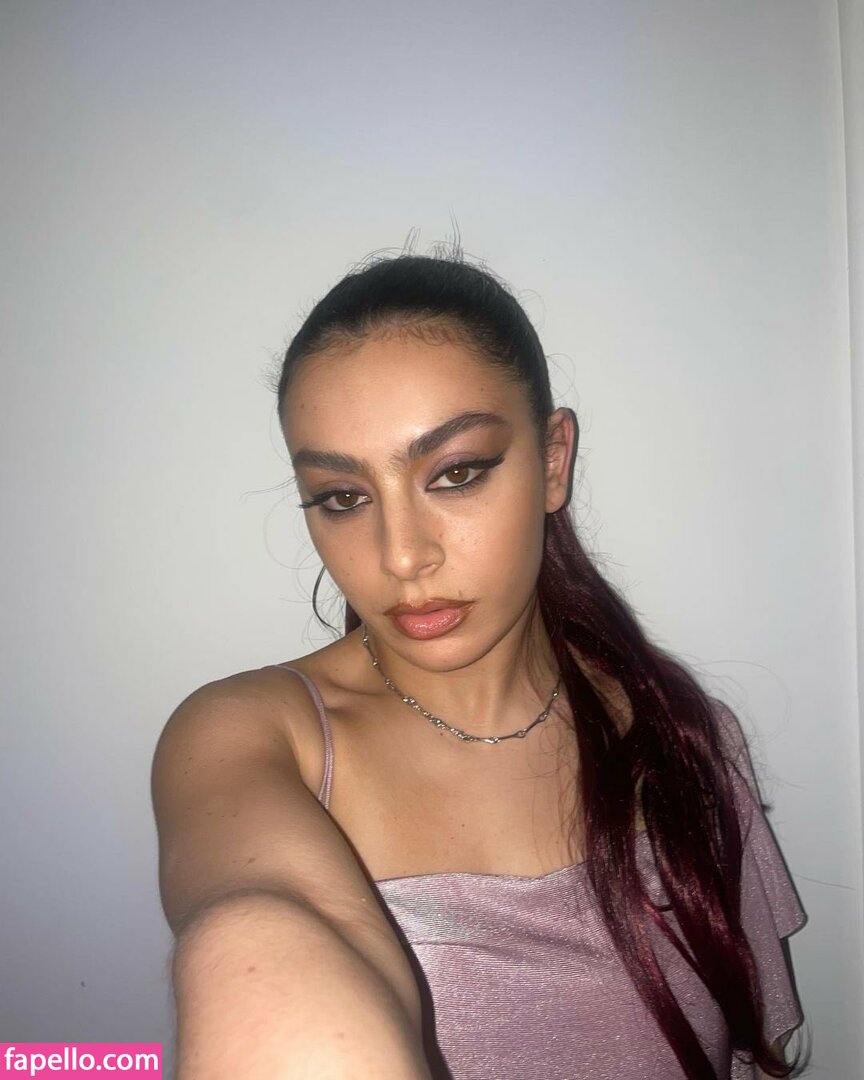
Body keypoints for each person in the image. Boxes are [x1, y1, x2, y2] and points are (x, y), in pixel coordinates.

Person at [151, 252, 807, 1080]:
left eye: (456, 473)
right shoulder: (250, 737)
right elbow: (258, 927)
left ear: (553, 461)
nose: (402, 556)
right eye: (343, 497)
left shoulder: (681, 737)